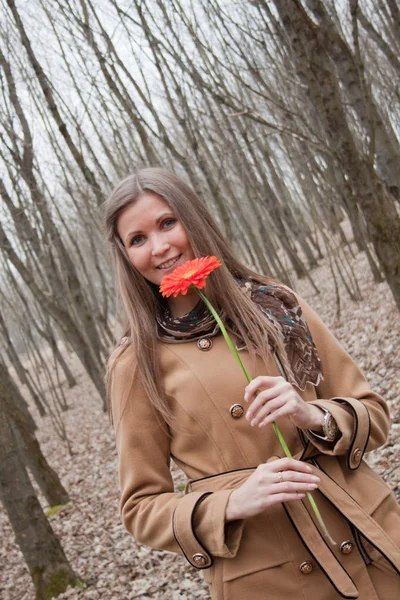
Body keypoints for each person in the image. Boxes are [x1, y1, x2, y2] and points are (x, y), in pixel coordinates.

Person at [104, 167, 400, 600]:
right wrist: (230, 504)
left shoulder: (275, 303)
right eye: (138, 239)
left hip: (372, 541)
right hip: (271, 578)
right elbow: (141, 508)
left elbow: (373, 414)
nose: (161, 246)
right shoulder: (137, 362)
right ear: (126, 256)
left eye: (168, 222)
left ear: (194, 218)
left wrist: (312, 414)